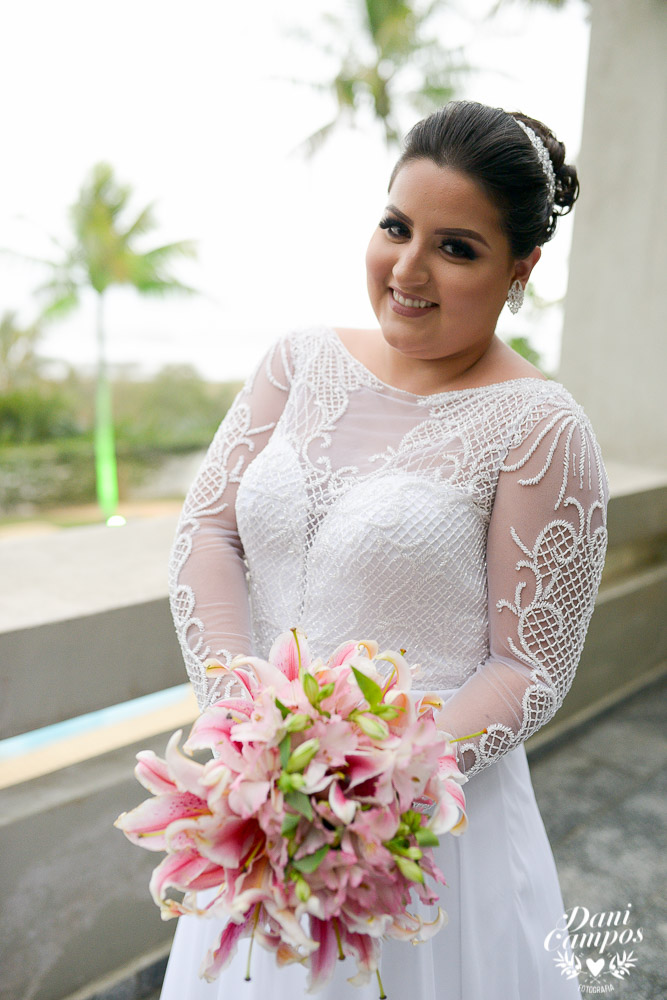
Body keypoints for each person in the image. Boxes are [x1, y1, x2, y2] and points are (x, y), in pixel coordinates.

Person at [161, 101, 608, 999]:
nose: (407, 269)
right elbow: (208, 530)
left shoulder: (539, 426)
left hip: (424, 834)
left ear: (521, 268)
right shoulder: (295, 361)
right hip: (264, 797)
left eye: (456, 247)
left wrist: (367, 792)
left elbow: (527, 668)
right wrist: (250, 737)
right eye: (396, 227)